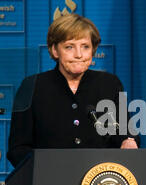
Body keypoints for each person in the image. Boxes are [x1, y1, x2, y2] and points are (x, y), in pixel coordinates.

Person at [7, 14, 138, 167]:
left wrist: (128, 140)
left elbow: (124, 131)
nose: (79, 54)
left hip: (99, 180)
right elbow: (18, 149)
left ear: (93, 50)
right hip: (48, 183)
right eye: (69, 47)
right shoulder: (32, 86)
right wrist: (45, 167)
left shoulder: (110, 84)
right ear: (55, 50)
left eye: (85, 47)